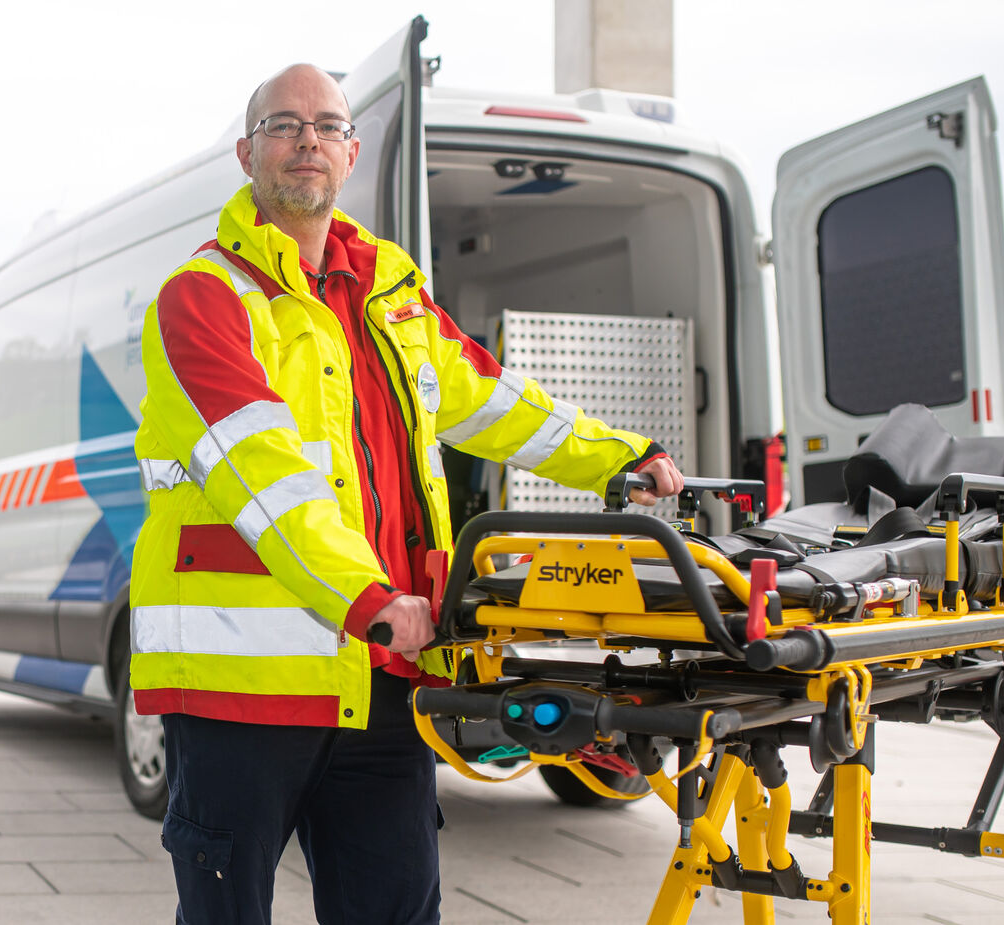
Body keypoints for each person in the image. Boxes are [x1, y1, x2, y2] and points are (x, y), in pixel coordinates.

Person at [129, 63, 685, 925]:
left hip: (383, 675)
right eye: (283, 125)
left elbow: (496, 401)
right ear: (247, 154)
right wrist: (369, 596)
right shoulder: (202, 298)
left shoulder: (390, 291)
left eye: (325, 125)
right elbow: (264, 477)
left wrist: (619, 459)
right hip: (246, 684)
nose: (306, 140)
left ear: (351, 152)